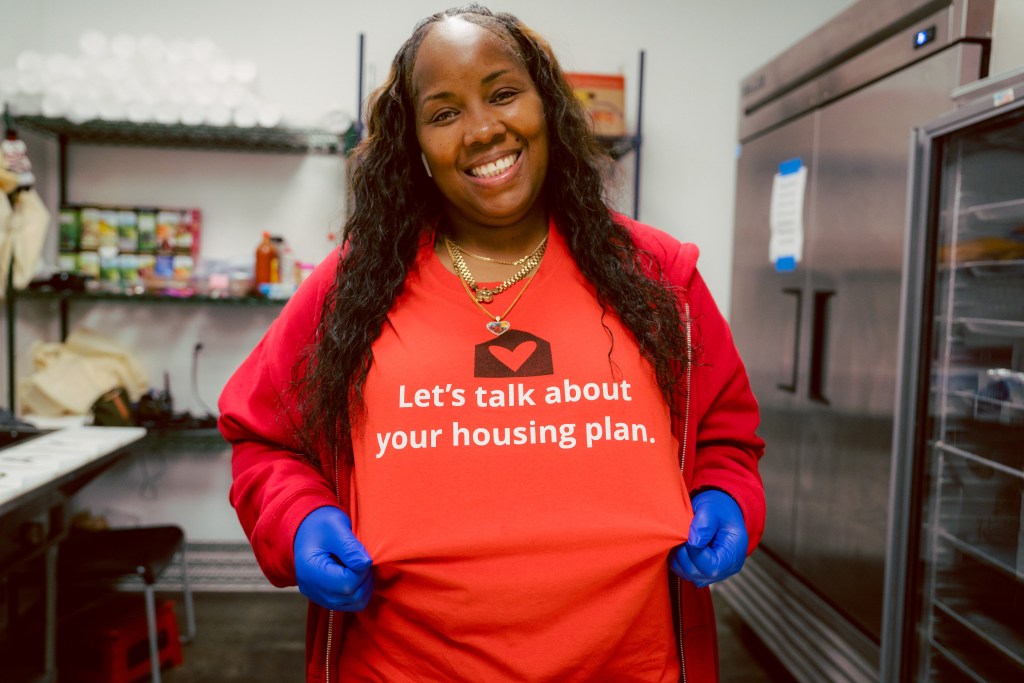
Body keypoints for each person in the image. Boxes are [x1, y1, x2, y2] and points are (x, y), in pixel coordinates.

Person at [219, 4, 765, 682]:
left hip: (631, 664)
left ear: (549, 106)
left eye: (503, 93)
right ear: (413, 143)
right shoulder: (349, 291)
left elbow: (726, 434)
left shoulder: (659, 277)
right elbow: (263, 439)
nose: (483, 130)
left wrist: (726, 492)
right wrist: (298, 519)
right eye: (444, 113)